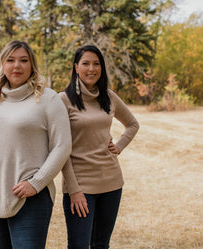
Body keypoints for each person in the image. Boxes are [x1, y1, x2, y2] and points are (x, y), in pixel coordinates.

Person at [0, 40, 72, 249]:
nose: (16, 66)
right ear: (2, 65)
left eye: (23, 60)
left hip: (30, 198)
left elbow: (62, 146)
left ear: (32, 65)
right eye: (10, 60)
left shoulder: (48, 99)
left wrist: (36, 183)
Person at [59, 45, 140, 249]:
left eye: (96, 64)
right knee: (78, 245)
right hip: (80, 185)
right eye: (85, 63)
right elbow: (60, 149)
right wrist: (74, 190)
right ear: (76, 67)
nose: (91, 69)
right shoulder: (64, 100)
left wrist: (119, 146)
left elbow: (132, 124)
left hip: (111, 182)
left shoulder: (108, 96)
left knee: (101, 245)